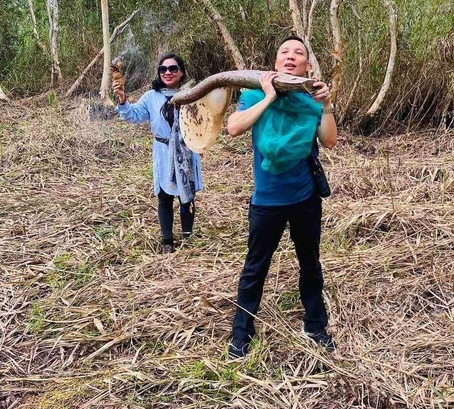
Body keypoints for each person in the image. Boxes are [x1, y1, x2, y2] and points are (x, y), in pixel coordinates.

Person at [226, 36, 337, 359]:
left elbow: (329, 141)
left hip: (305, 198)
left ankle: (315, 326)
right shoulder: (253, 93)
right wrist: (269, 97)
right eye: (284, 53)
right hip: (267, 201)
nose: (291, 57)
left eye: (298, 53)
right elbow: (234, 128)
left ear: (307, 65)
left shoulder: (312, 100)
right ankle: (241, 334)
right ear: (275, 63)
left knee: (310, 264)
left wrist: (327, 105)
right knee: (255, 268)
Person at [113, 53, 203, 254]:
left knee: (187, 195)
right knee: (164, 196)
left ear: (181, 72)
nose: (168, 73)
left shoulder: (192, 94)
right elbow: (133, 115)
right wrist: (122, 99)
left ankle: (187, 236)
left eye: (173, 69)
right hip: (163, 151)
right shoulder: (151, 97)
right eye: (163, 69)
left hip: (187, 149)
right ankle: (167, 241)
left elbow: (204, 120)